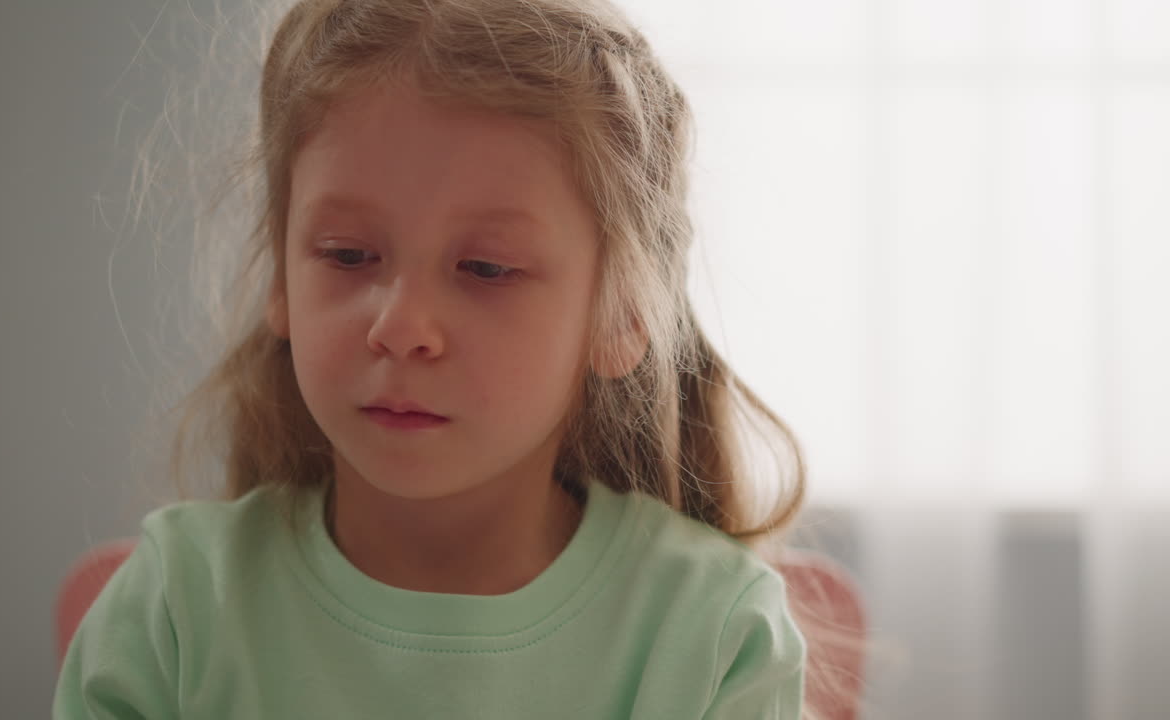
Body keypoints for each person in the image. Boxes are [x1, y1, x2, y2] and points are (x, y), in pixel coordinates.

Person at [54, 0, 818, 717]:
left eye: (486, 269)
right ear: (280, 278)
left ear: (618, 317)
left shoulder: (713, 632)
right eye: (348, 255)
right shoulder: (174, 609)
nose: (401, 326)